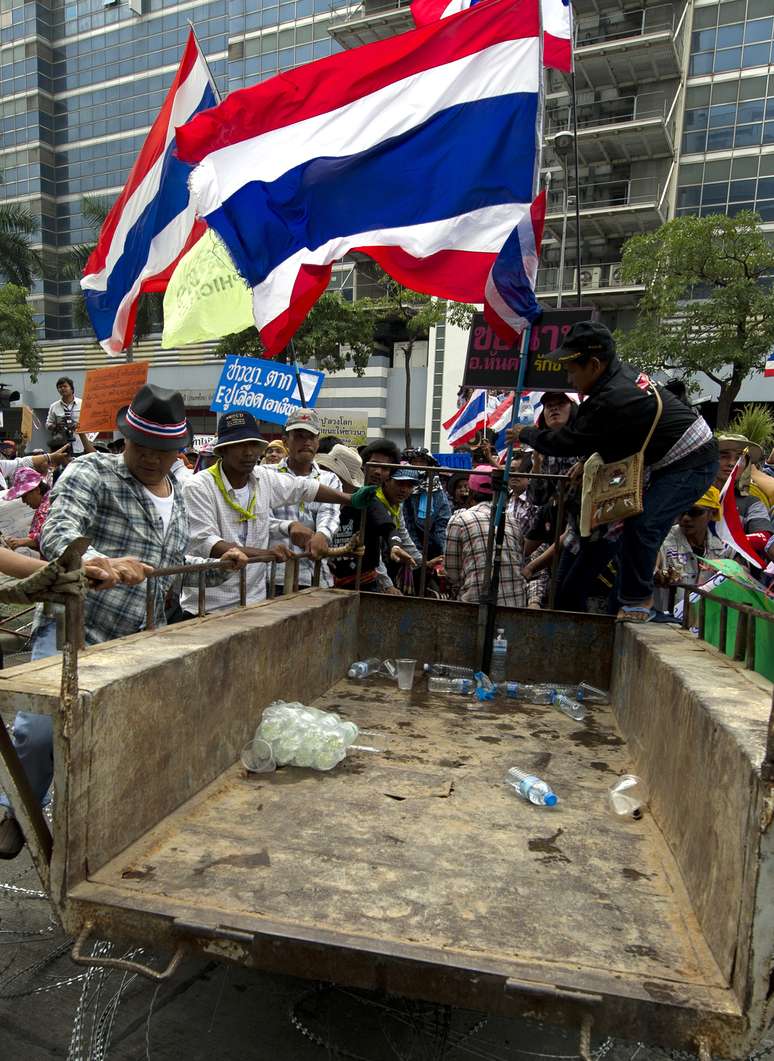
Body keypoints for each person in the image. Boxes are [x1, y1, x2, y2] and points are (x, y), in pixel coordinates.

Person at [0, 385, 250, 860]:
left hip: (138, 637)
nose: (151, 459)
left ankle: (106, 837)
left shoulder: (176, 494)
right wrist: (100, 562)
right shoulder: (91, 471)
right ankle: (19, 810)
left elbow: (171, 559)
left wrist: (218, 565)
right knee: (39, 730)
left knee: (125, 738)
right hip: (76, 625)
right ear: (124, 436)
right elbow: (60, 531)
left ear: (177, 452)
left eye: (163, 451)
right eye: (142, 447)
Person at [508, 322, 718, 622]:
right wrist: (593, 457)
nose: (569, 377)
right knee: (617, 542)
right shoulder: (620, 377)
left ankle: (638, 603)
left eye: (571, 369)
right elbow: (622, 433)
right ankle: (631, 600)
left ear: (594, 364)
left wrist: (526, 434)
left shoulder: (611, 397)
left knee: (642, 526)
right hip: (663, 461)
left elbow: (567, 442)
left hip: (691, 461)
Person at [183, 411, 374, 613]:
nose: (248, 452)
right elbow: (206, 542)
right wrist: (267, 554)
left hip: (254, 603)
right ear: (222, 450)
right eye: (239, 445)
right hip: (209, 606)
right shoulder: (198, 486)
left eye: (254, 445)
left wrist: (351, 498)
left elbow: (305, 488)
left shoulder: (263, 478)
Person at [318, 445, 411, 591]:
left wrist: (395, 544)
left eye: (332, 473)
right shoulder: (316, 497)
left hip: (360, 585)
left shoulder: (366, 501)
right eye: (325, 470)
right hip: (321, 581)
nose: (326, 476)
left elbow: (386, 526)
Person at [268, 408, 341, 591]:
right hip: (273, 576)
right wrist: (289, 526)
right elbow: (261, 518)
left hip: (316, 576)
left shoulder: (329, 479)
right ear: (286, 441)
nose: (306, 442)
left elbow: (330, 514)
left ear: (317, 442)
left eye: (311, 437)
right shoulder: (267, 476)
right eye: (299, 436)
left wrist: (322, 534)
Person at [445, 465, 534, 607]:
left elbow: (452, 574)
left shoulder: (459, 520)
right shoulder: (512, 520)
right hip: (516, 605)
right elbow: (520, 560)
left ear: (471, 491)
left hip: (474, 605)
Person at [654, 491, 731, 612]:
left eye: (694, 512)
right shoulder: (662, 538)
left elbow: (740, 577)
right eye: (681, 511)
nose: (686, 518)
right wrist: (658, 575)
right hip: (665, 623)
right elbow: (653, 564)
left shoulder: (724, 547)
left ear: (712, 513)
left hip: (703, 623)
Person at [713, 434, 774, 564]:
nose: (731, 463)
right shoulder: (692, 495)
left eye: (739, 458)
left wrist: (732, 543)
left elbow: (764, 538)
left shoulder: (751, 503)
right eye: (724, 456)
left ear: (746, 464)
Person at [400, 448, 452, 558]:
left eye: (422, 462)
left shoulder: (437, 489)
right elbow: (407, 522)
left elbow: (443, 522)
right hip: (411, 545)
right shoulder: (405, 487)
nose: (419, 465)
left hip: (434, 545)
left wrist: (443, 552)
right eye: (415, 462)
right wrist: (418, 553)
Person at [4, 468, 51, 553]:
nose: (23, 501)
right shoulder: (52, 499)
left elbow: (50, 537)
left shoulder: (45, 508)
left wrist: (20, 542)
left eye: (25, 496)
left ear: (37, 490)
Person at [46, 376, 83, 453]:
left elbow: (88, 422)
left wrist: (77, 425)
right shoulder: (54, 406)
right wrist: (56, 426)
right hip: (61, 445)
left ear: (72, 388)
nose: (62, 388)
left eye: (65, 386)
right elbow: (48, 424)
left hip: (81, 444)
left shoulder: (82, 404)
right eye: (60, 387)